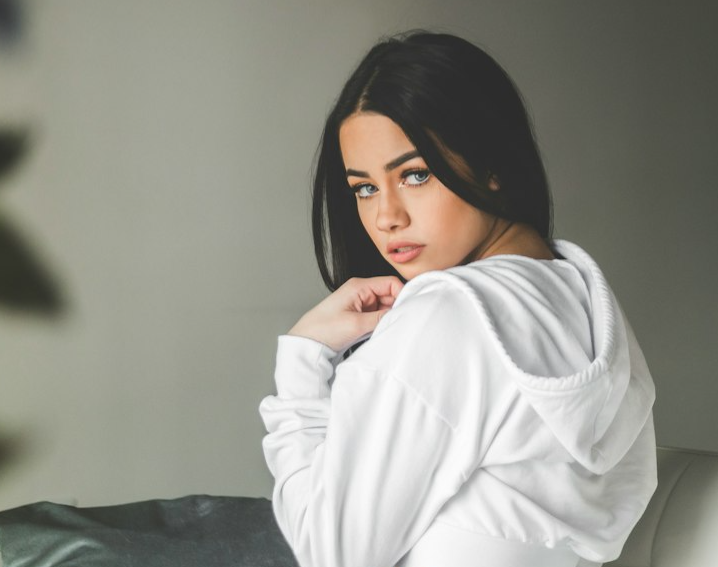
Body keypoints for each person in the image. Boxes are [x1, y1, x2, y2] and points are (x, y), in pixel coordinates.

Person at [259, 31, 657, 567]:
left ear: (491, 165)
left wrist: (303, 359)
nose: (386, 217)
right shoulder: (583, 300)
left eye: (415, 175)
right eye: (364, 188)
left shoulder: (447, 316)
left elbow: (332, 555)